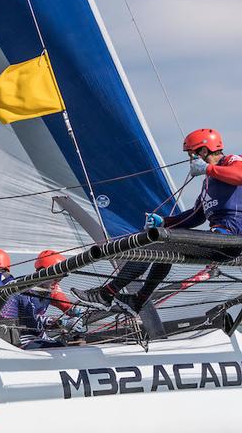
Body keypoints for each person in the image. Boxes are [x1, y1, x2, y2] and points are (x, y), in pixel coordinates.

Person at [73, 128, 242, 311]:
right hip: (216, 239)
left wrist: (208, 168)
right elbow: (195, 216)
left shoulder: (231, 161)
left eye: (192, 155)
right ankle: (139, 299)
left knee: (153, 244)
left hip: (230, 239)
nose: (190, 160)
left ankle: (105, 294)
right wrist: (164, 222)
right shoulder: (208, 182)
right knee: (166, 247)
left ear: (203, 151)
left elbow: (240, 176)